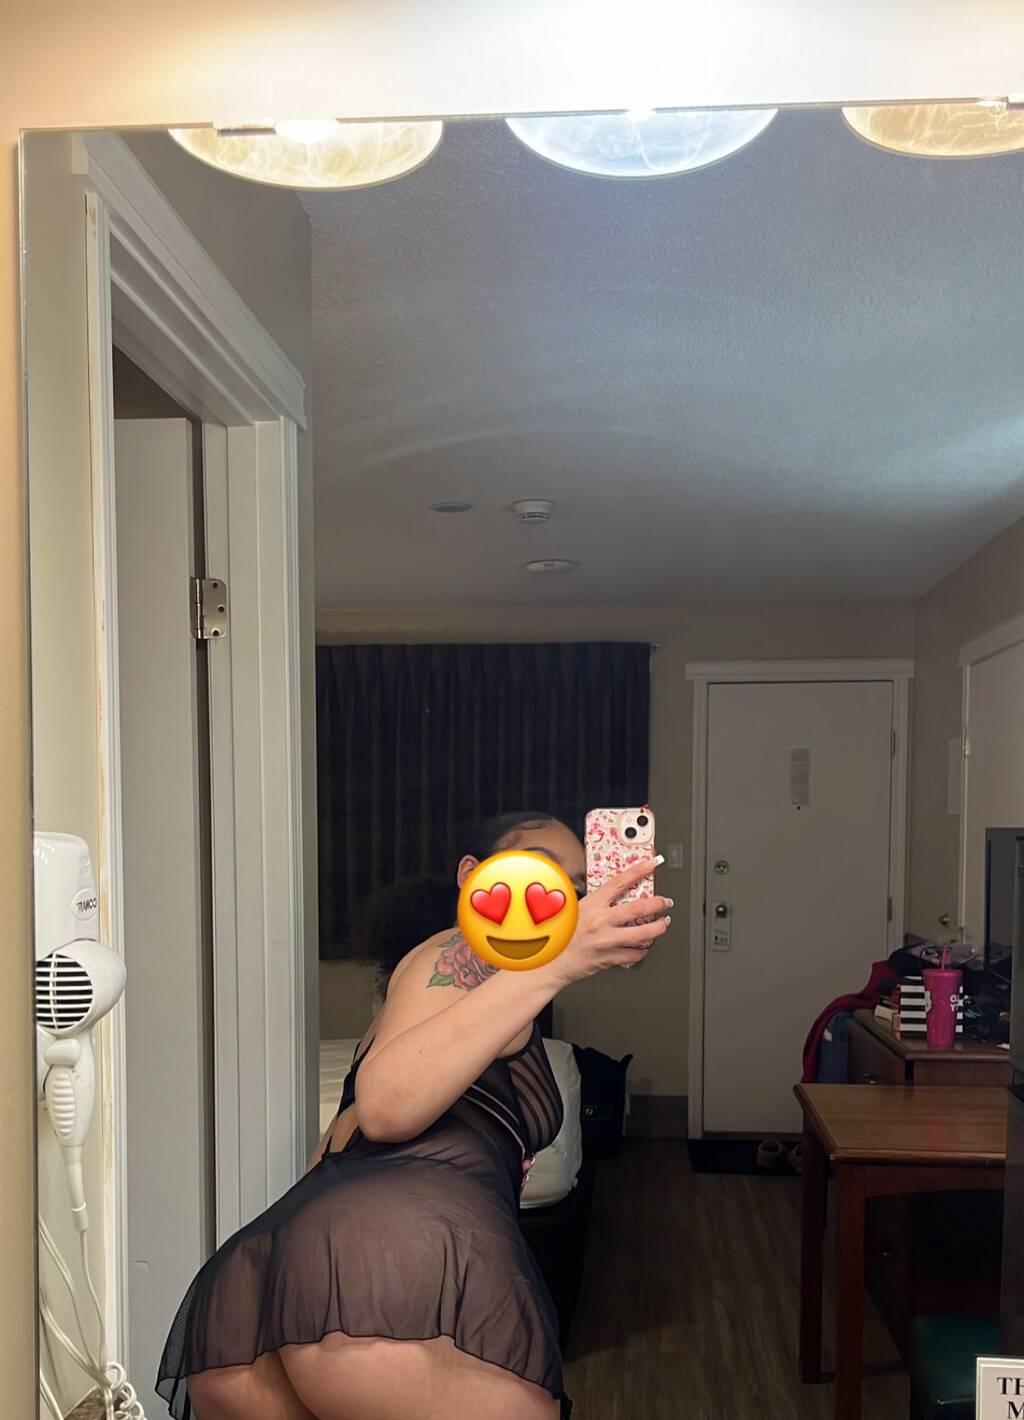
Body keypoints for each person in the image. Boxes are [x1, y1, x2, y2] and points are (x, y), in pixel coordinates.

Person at [157, 811, 672, 1420]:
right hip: (384, 1284)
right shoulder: (462, 952)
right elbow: (385, 1107)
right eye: (536, 869)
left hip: (254, 1298)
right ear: (471, 877)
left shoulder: (466, 988)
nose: (556, 893)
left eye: (577, 885)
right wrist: (558, 964)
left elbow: (338, 1142)